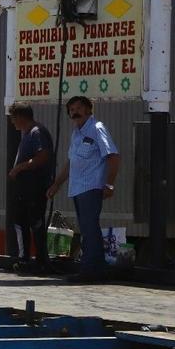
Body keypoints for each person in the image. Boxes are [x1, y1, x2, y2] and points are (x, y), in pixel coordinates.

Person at [46, 96, 121, 282]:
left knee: (89, 228)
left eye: (79, 108)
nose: (74, 112)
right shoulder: (76, 134)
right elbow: (71, 162)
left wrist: (109, 184)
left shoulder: (96, 129)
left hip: (91, 186)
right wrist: (57, 184)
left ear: (88, 110)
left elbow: (113, 156)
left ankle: (90, 271)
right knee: (87, 229)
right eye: (71, 110)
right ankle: (95, 269)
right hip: (78, 188)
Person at [7, 102, 55, 273]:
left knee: (35, 222)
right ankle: (24, 258)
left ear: (20, 117)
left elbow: (42, 157)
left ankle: (42, 261)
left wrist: (19, 167)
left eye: (13, 118)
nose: (12, 122)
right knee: (20, 222)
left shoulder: (37, 132)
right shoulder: (26, 134)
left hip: (33, 187)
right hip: (23, 188)